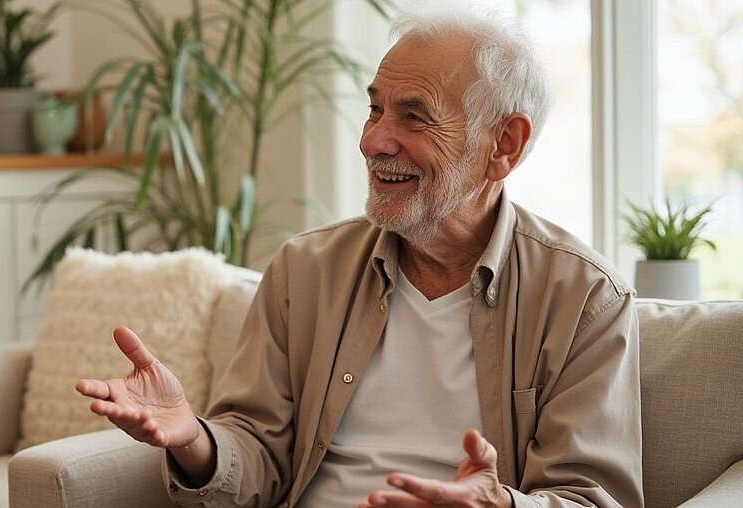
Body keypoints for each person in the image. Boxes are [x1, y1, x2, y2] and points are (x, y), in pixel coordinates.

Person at [75, 3, 643, 507]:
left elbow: (592, 499)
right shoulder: (305, 270)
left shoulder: (585, 299)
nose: (373, 141)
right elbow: (256, 457)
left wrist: (498, 506)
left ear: (505, 144)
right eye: (375, 110)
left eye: (414, 116)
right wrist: (194, 438)